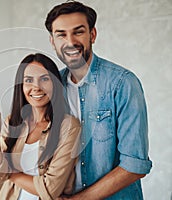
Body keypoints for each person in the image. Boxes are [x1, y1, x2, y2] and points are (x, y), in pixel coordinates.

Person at [44, 1, 152, 199]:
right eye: (61, 34)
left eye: (78, 32)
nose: (70, 41)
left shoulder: (122, 83)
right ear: (52, 41)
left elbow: (135, 165)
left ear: (92, 35)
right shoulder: (51, 86)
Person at [0, 53, 81, 200]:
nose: (36, 87)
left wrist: (9, 173)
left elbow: (50, 189)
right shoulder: (12, 122)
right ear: (21, 86)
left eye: (44, 79)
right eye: (29, 80)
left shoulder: (69, 127)